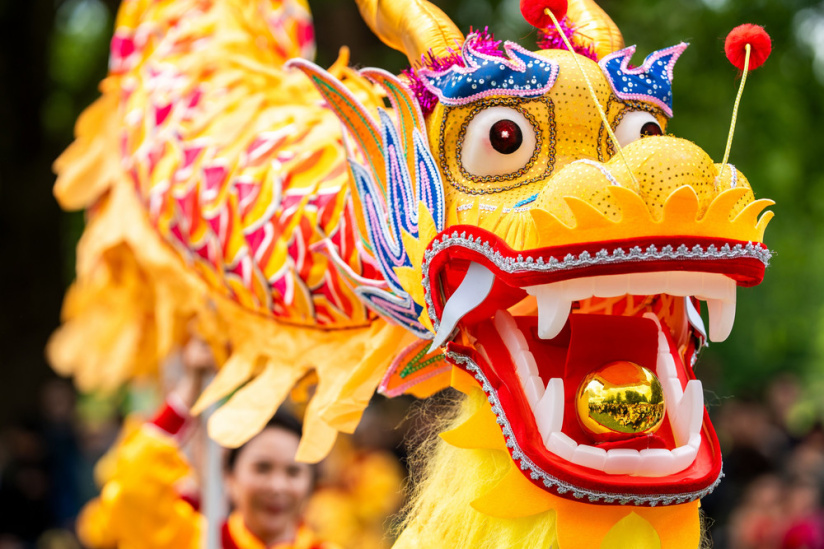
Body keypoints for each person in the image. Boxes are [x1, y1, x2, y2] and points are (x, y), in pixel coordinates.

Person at [76, 339, 337, 549]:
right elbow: (132, 489)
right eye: (262, 468)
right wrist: (189, 389)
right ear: (229, 477)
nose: (277, 486)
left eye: (293, 472)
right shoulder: (193, 540)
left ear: (311, 484)